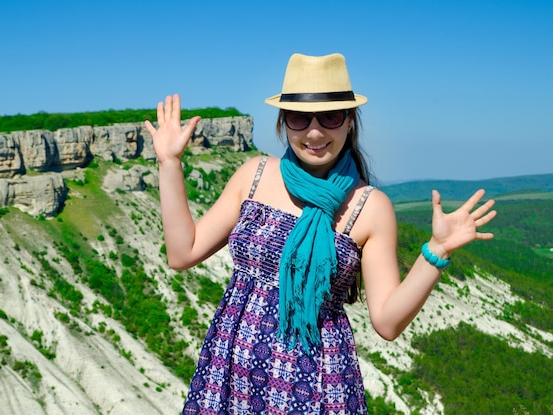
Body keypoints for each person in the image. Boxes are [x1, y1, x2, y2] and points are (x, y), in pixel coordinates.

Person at [144, 53, 496, 415]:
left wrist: (436, 251)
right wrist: (169, 163)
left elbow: (388, 322)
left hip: (316, 386)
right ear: (284, 123)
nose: (314, 132)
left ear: (349, 122)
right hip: (230, 375)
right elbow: (182, 253)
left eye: (330, 116)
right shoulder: (254, 175)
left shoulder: (370, 207)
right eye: (299, 117)